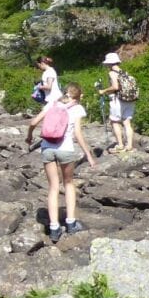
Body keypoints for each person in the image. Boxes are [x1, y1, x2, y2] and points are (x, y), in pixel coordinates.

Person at [26, 82, 96, 243]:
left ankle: (54, 227)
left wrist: (29, 136)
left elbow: (33, 122)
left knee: (53, 187)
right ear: (79, 96)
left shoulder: (52, 103)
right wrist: (88, 155)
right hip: (65, 149)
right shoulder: (77, 108)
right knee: (69, 184)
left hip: (47, 148)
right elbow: (77, 134)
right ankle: (71, 223)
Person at [98, 52, 136, 153]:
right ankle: (129, 145)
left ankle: (120, 145)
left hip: (118, 100)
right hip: (129, 100)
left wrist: (104, 91)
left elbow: (115, 87)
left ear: (109, 63)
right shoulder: (124, 72)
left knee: (115, 122)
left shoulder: (112, 73)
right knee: (127, 123)